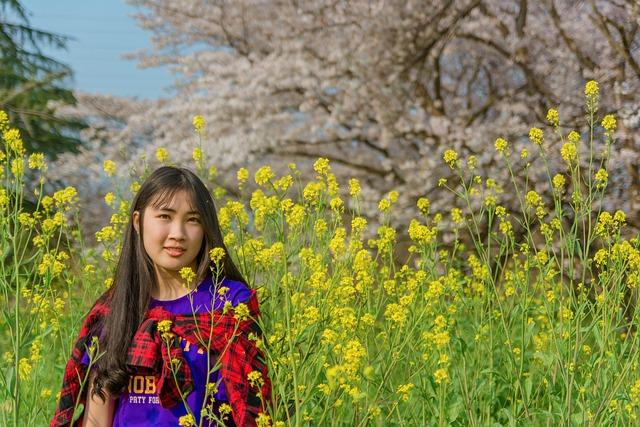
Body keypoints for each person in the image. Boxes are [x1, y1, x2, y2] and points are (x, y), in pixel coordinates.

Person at [50, 166, 271, 427]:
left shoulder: (229, 305)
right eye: (165, 216)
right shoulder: (115, 309)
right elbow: (97, 419)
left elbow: (254, 410)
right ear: (137, 221)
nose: (178, 234)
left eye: (193, 220)